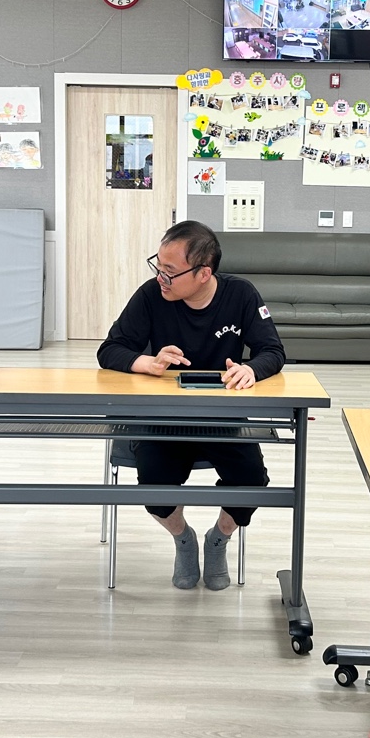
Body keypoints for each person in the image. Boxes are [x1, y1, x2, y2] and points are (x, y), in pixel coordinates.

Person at [97, 220, 284, 590]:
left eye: (170, 271)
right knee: (154, 488)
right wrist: (146, 362)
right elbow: (110, 349)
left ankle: (218, 540)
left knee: (252, 482)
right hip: (164, 415)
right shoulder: (151, 296)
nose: (160, 278)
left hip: (222, 415)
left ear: (203, 273)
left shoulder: (241, 295)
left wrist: (250, 369)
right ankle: (183, 539)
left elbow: (273, 350)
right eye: (158, 266)